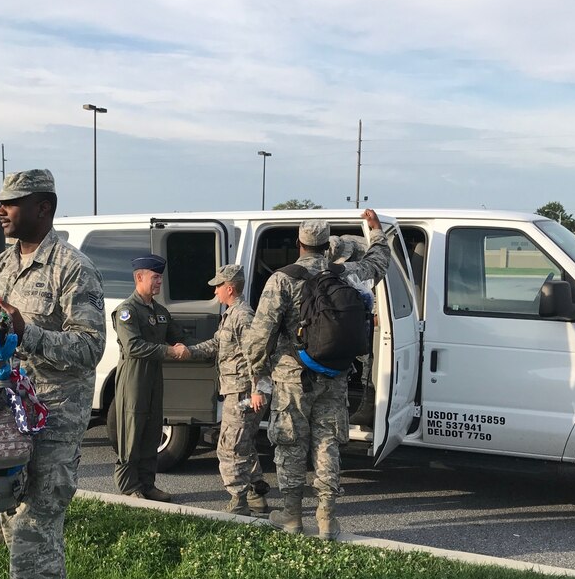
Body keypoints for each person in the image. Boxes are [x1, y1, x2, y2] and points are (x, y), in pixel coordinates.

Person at [0, 168, 106, 579]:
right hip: (8, 410)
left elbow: (90, 347)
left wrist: (28, 332)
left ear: (43, 208)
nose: (0, 211)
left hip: (54, 414)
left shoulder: (72, 268)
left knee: (37, 516)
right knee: (11, 509)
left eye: (11, 203)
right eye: (0, 203)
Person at [244, 211, 389, 539]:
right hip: (334, 375)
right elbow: (379, 263)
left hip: (292, 377)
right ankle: (326, 518)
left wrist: (257, 377)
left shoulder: (282, 279)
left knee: (290, 444)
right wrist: (377, 232)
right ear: (327, 246)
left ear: (299, 243)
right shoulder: (346, 273)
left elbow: (259, 337)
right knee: (327, 444)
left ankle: (292, 516)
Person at [188, 264, 271, 515]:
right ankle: (256, 492)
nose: (215, 291)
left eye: (218, 287)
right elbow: (217, 343)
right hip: (238, 390)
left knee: (229, 447)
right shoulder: (232, 314)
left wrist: (257, 390)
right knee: (243, 442)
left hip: (244, 392)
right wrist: (188, 351)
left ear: (230, 288)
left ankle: (239, 500)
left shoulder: (243, 316)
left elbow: (255, 354)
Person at [112, 255, 189, 502]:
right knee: (132, 430)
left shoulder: (160, 312)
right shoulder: (127, 311)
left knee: (152, 429)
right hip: (134, 377)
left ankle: (147, 484)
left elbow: (179, 337)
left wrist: (191, 346)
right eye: (155, 277)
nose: (159, 282)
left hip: (154, 375)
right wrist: (170, 351)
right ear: (139, 277)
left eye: (160, 278)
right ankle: (129, 486)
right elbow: (133, 346)